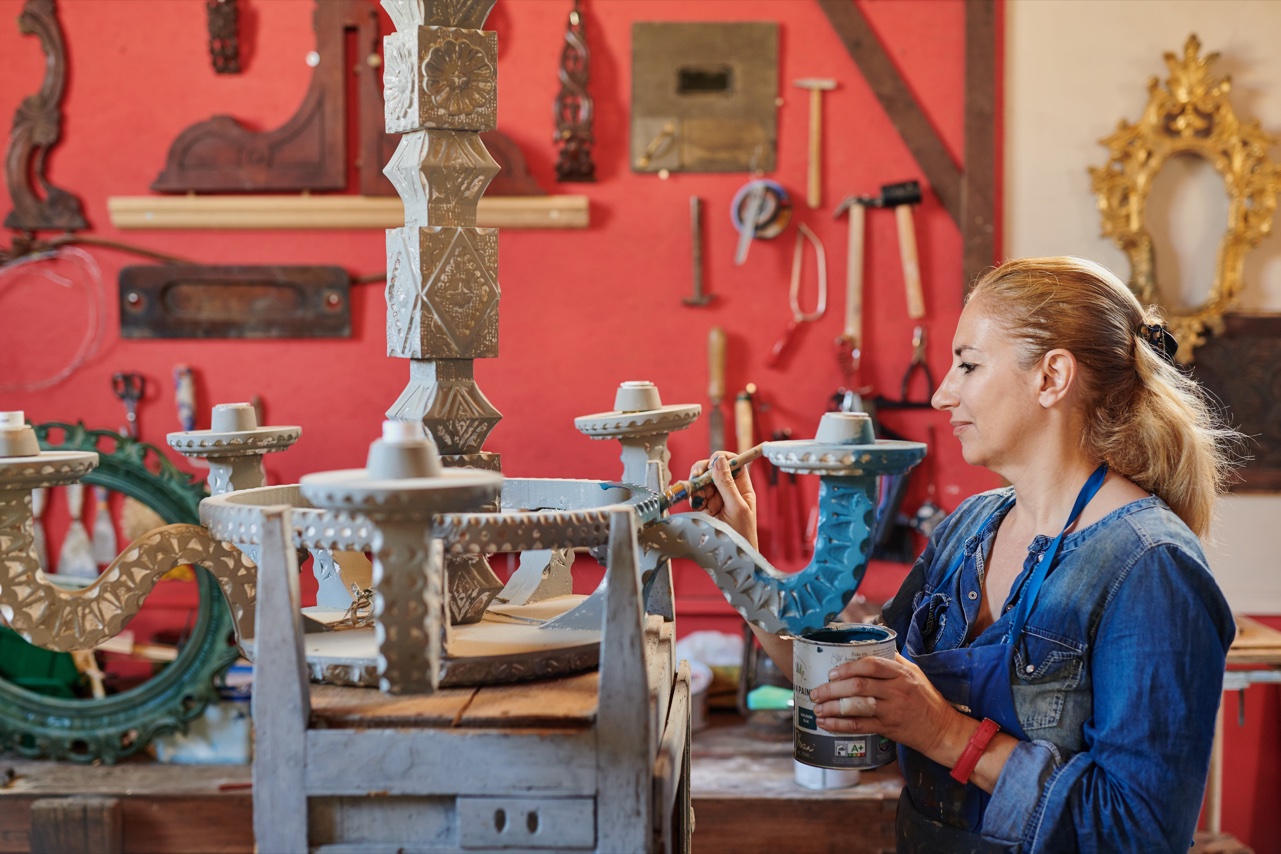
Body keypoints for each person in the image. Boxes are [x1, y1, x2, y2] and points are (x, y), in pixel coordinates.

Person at [692, 256, 1238, 852]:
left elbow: (1140, 831)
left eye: (968, 365)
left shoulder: (1151, 566)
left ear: (1052, 377)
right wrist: (739, 557)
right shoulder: (969, 528)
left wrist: (944, 732)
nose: (940, 394)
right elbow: (849, 680)